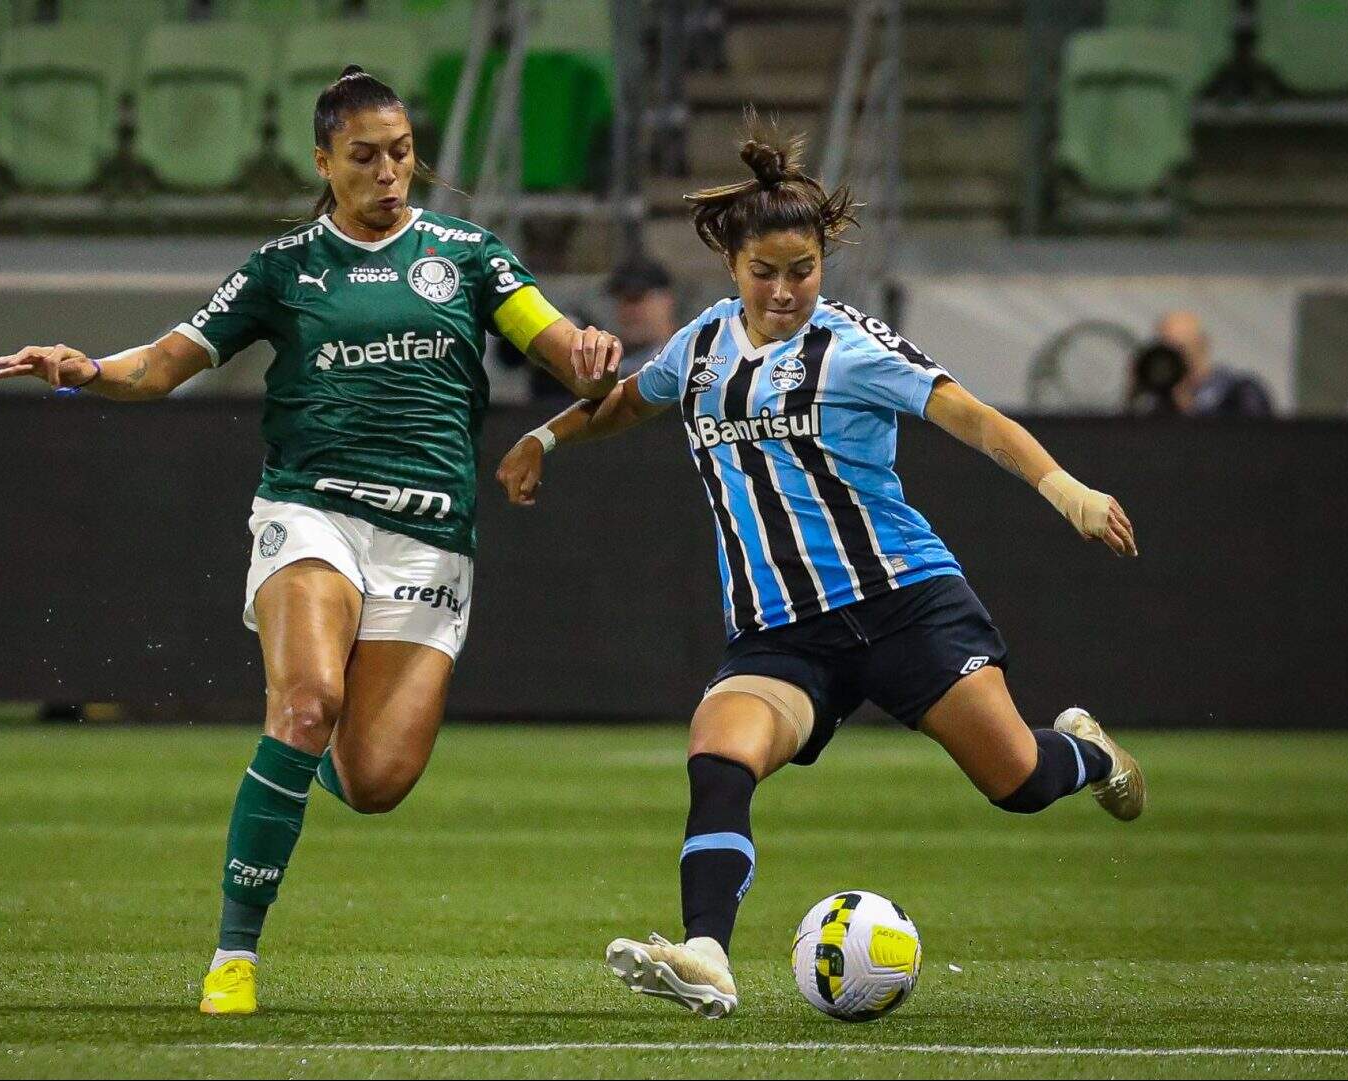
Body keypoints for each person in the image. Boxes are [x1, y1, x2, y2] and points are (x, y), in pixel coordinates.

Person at [0, 66, 620, 1016]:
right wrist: (84, 369)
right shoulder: (283, 268)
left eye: (401, 153)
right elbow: (164, 366)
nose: (388, 172)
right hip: (312, 510)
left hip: (431, 539)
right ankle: (233, 958)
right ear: (324, 161)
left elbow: (559, 345)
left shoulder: (470, 255)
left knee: (375, 783)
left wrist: (591, 352)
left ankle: (319, 741)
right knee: (307, 698)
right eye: (364, 157)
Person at [495, 123, 1144, 1018]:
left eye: (802, 269)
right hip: (781, 632)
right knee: (718, 751)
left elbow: (973, 417)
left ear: (821, 261)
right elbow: (628, 401)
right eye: (766, 271)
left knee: (1020, 782)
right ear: (731, 264)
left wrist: (1061, 484)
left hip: (903, 604)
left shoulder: (852, 348)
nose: (785, 288)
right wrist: (545, 435)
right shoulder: (701, 347)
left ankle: (1090, 753)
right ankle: (706, 953)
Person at [1154, 310, 1273, 417]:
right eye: (1166, 350)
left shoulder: (1240, 393)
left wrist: (1187, 403)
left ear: (1202, 344)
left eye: (1181, 347)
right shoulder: (1159, 399)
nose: (1173, 358)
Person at [605, 256, 680, 376]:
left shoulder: (691, 358)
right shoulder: (610, 365)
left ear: (666, 301)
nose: (627, 311)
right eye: (620, 301)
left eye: (635, 299)